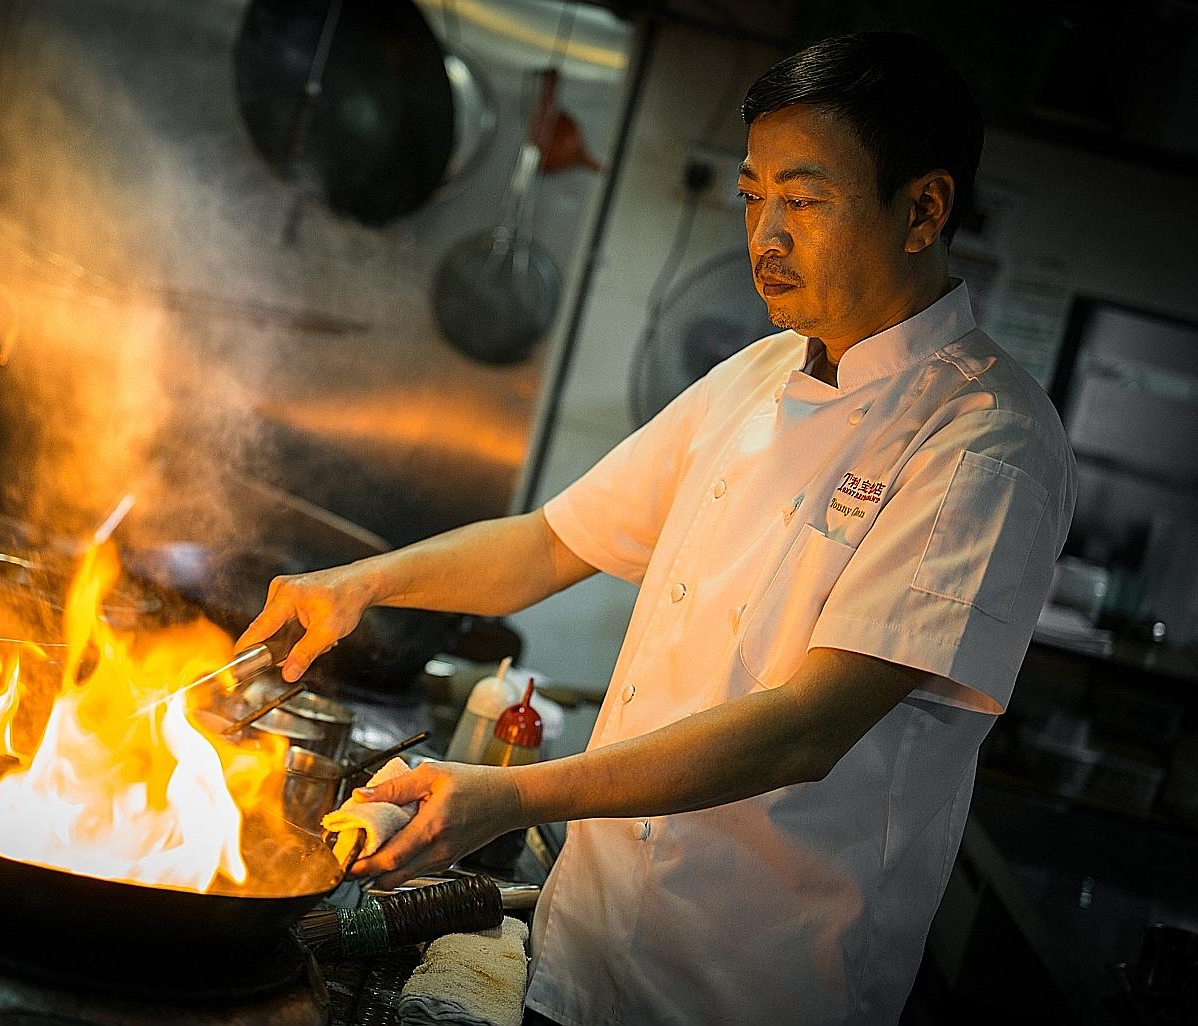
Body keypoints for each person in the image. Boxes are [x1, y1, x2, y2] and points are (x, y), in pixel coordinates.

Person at [238, 31, 1075, 1026]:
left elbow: (807, 729)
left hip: (750, 984)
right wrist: (361, 584)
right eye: (754, 195)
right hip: (587, 945)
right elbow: (551, 543)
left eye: (803, 201)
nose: (765, 233)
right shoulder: (755, 374)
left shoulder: (986, 440)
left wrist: (511, 796)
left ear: (923, 208)